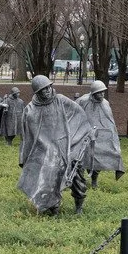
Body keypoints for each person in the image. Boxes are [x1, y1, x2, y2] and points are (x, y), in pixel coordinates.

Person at [18, 75, 93, 215]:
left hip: (68, 146)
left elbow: (79, 116)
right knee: (48, 178)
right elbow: (27, 136)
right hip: (45, 151)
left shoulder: (61, 100)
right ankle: (53, 208)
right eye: (43, 90)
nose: (47, 91)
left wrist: (85, 134)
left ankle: (79, 206)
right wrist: (25, 157)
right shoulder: (30, 110)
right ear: (37, 92)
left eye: (48, 87)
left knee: (76, 175)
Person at [76, 80, 125, 188]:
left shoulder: (105, 103)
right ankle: (80, 181)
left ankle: (94, 180)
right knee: (83, 159)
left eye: (103, 92)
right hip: (84, 135)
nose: (102, 94)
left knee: (100, 157)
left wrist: (112, 136)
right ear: (93, 93)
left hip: (100, 136)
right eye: (99, 92)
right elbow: (74, 114)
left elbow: (110, 122)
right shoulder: (83, 101)